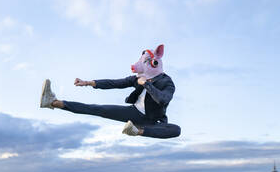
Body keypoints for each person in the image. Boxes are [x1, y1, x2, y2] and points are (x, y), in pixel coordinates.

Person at [40, 44, 181, 139]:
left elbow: (163, 99)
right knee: (97, 109)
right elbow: (114, 83)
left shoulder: (166, 82)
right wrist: (88, 83)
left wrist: (146, 85)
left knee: (176, 130)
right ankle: (52, 102)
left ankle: (137, 131)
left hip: (153, 122)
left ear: (154, 64)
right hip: (135, 113)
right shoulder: (137, 78)